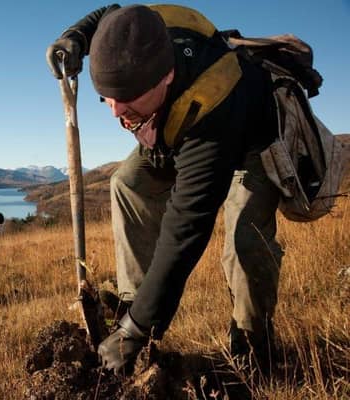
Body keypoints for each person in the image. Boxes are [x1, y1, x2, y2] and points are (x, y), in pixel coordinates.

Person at [47, 4, 283, 373]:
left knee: (244, 243)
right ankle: (133, 302)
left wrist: (137, 330)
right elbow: (110, 15)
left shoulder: (214, 106)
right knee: (127, 182)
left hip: (252, 142)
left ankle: (253, 351)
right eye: (107, 96)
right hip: (173, 126)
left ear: (166, 76)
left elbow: (185, 229)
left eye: (127, 99)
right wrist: (75, 36)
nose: (114, 111)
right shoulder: (143, 30)